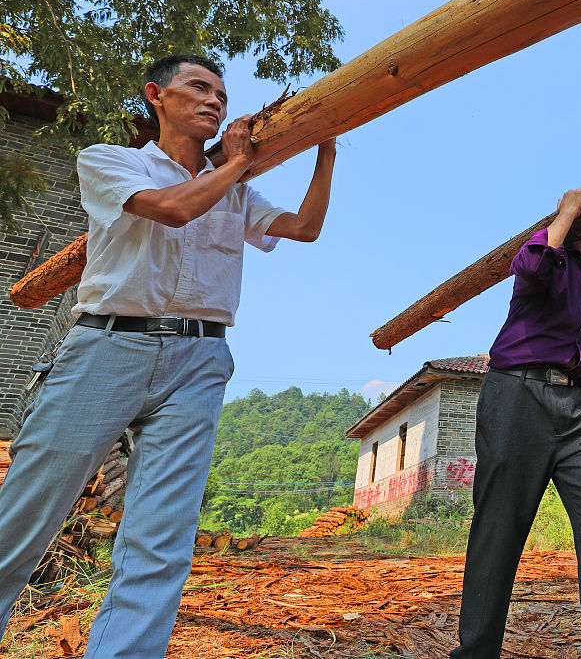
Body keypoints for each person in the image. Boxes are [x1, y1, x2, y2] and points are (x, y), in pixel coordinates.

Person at [0, 54, 337, 656]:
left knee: (162, 538)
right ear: (157, 95)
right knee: (26, 513)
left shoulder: (239, 191)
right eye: (198, 88)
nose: (214, 102)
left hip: (201, 359)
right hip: (108, 344)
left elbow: (306, 228)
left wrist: (325, 152)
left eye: (222, 96)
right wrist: (235, 162)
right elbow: (173, 208)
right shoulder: (111, 162)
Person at [449, 187, 581, 659]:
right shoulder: (550, 262)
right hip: (517, 395)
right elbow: (527, 266)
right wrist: (566, 213)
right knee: (498, 529)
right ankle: (475, 653)